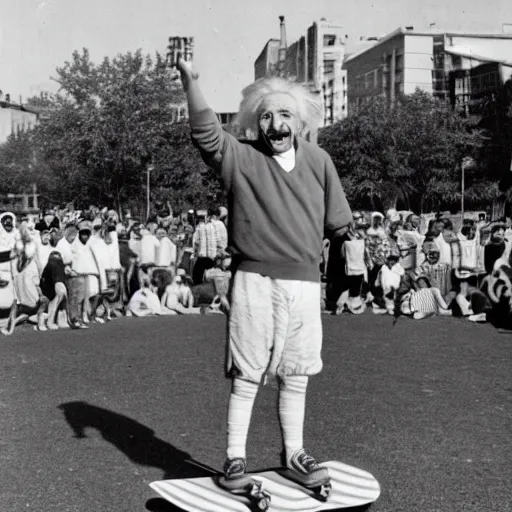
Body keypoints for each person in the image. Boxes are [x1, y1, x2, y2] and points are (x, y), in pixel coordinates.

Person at [177, 54, 352, 490]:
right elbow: (206, 135)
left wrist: (344, 280)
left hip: (305, 283)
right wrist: (193, 85)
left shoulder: (319, 160)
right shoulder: (241, 157)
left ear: (301, 121)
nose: (276, 124)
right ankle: (235, 458)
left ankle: (293, 452)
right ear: (257, 123)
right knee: (249, 371)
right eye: (267, 116)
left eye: (285, 115)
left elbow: (339, 227)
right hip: (254, 280)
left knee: (296, 373)